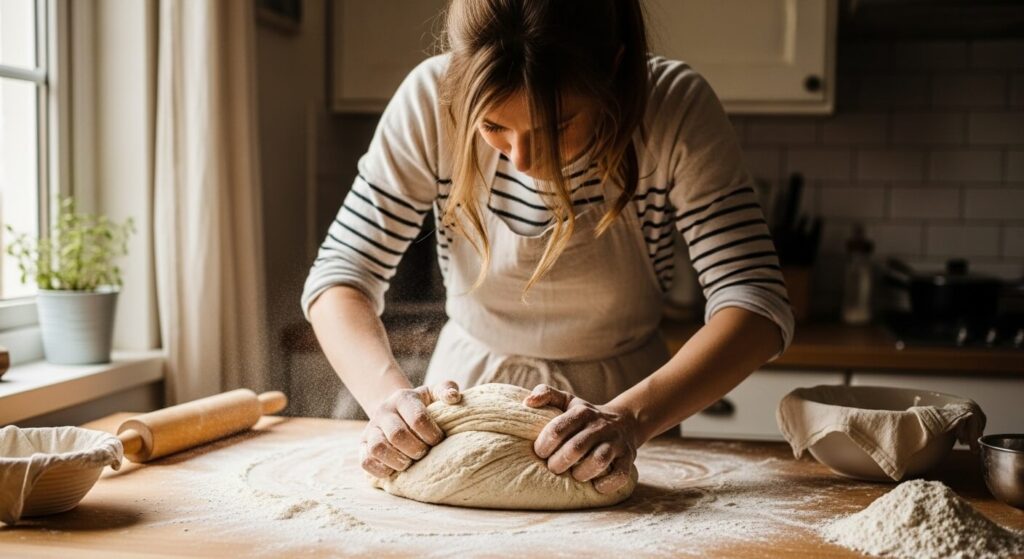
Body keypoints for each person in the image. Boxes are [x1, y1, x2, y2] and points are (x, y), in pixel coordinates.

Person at [302, 0, 794, 496]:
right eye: (494, 127)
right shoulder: (433, 100)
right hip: (464, 406)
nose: (523, 158)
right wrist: (390, 401)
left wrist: (629, 419)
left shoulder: (671, 108)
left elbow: (755, 304)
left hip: (629, 409)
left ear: (614, 73)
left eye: (557, 127)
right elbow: (341, 275)